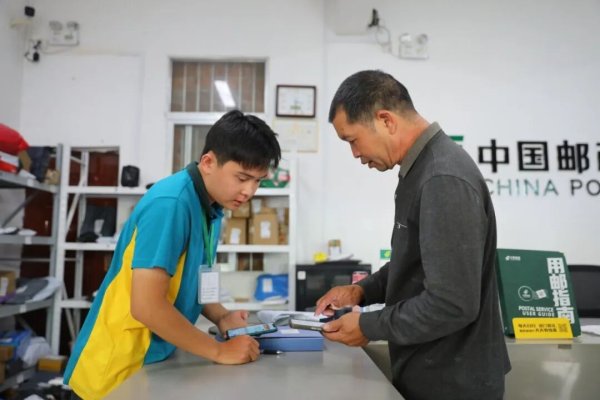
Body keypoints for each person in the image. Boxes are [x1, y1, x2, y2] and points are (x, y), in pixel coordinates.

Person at [315, 70, 510, 399]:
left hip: (453, 384)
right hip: (431, 372)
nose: (355, 154)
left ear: (386, 120)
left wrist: (368, 326)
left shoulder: (441, 177)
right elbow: (416, 262)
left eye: (352, 140)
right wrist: (361, 291)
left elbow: (452, 303)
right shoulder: (419, 171)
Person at [64, 110, 281, 399]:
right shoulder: (171, 204)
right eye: (242, 178)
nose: (249, 191)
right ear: (208, 162)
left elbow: (192, 278)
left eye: (258, 181)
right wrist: (219, 351)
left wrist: (222, 316)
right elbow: (146, 306)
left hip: (152, 361)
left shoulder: (210, 205)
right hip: (116, 369)